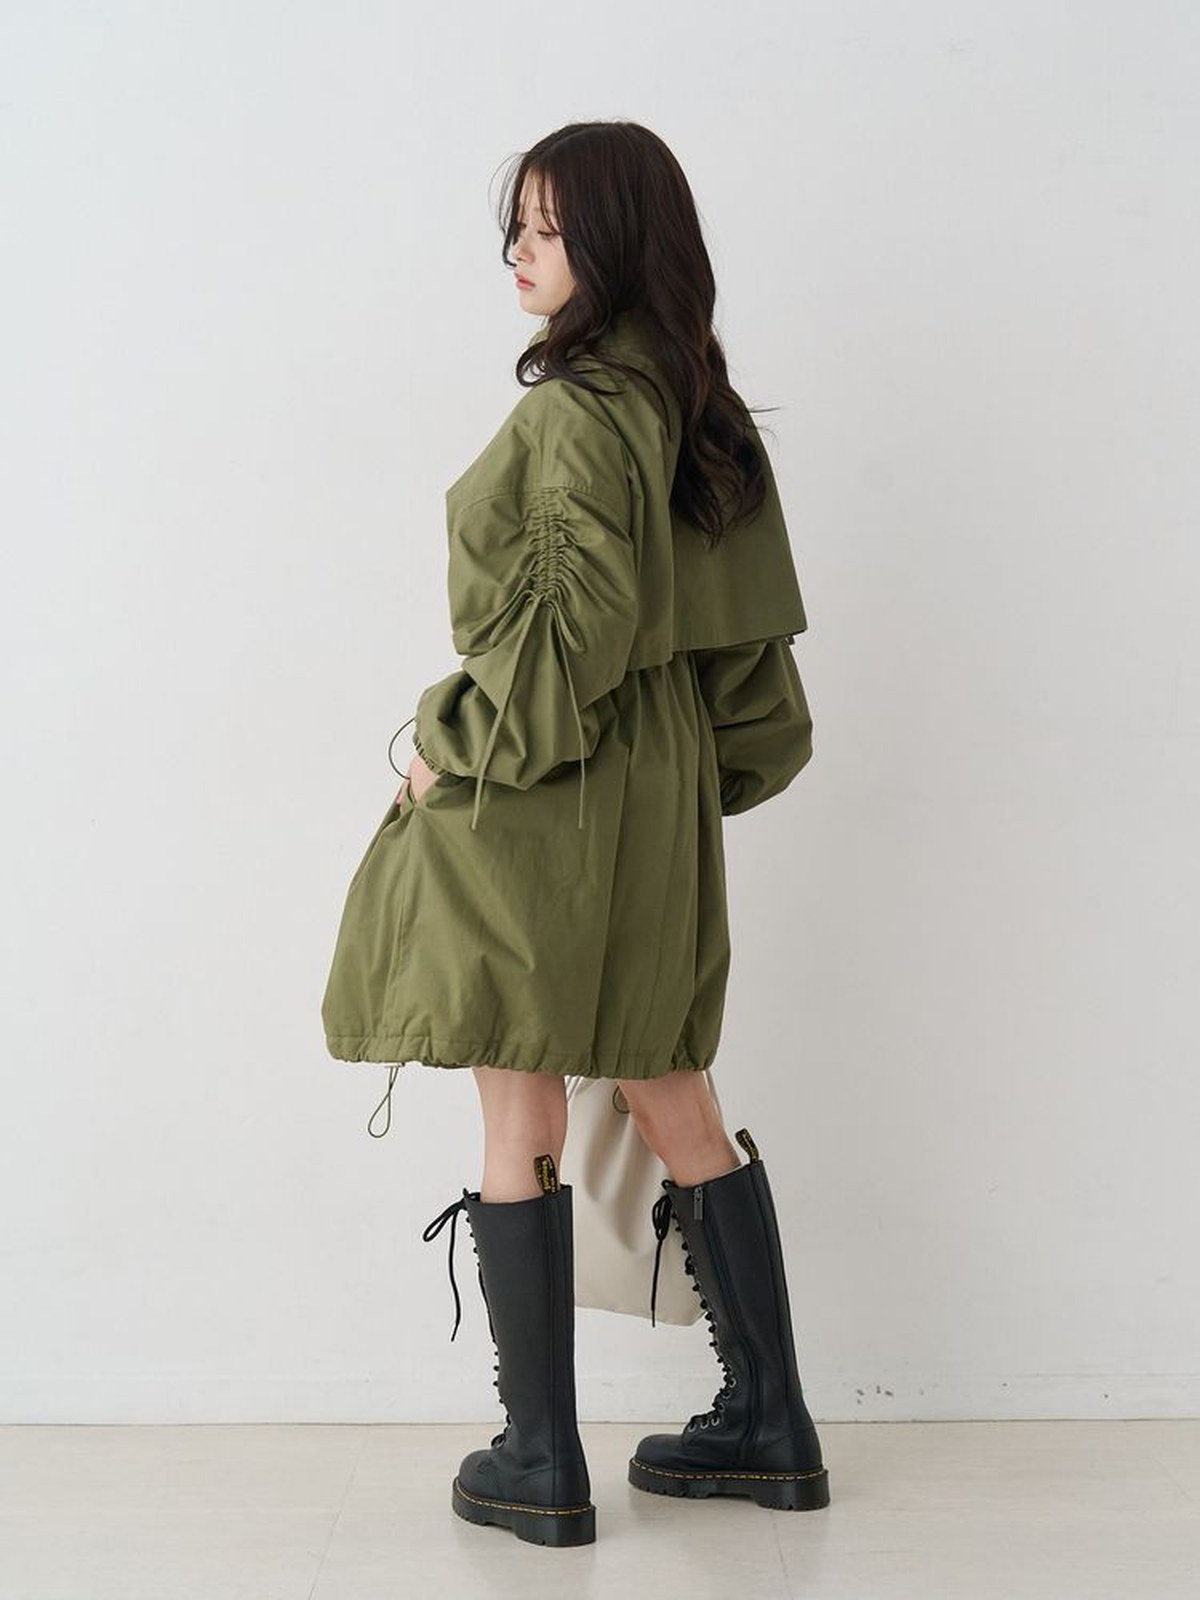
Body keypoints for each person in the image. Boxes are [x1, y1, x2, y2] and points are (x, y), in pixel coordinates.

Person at [320, 120, 829, 1547]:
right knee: (673, 1085)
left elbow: (559, 654)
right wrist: (676, 807)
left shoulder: (570, 419)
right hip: (659, 797)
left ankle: (539, 1459)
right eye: (518, 226)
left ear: (614, 242)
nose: (519, 251)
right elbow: (754, 678)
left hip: (549, 793)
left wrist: (443, 743)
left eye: (547, 227)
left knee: (519, 1102)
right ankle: (772, 1426)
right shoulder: (703, 417)